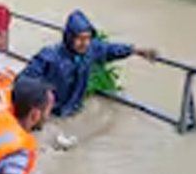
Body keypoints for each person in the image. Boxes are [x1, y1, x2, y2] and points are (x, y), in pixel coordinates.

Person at [17, 9, 158, 117]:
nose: (84, 43)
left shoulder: (91, 50)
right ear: (69, 37)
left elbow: (110, 50)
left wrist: (136, 51)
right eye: (79, 39)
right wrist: (44, 95)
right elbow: (24, 80)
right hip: (51, 111)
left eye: (88, 38)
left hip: (73, 107)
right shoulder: (49, 56)